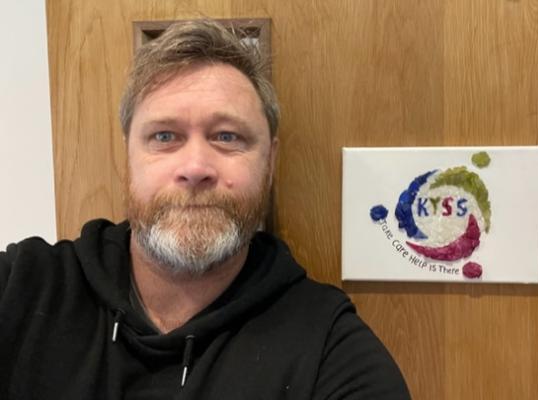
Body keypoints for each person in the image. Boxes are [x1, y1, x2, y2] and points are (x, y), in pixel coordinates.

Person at [0, 20, 410, 399]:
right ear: (128, 157)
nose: (195, 168)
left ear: (270, 163)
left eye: (227, 136)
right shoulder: (20, 288)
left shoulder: (330, 353)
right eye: (164, 136)